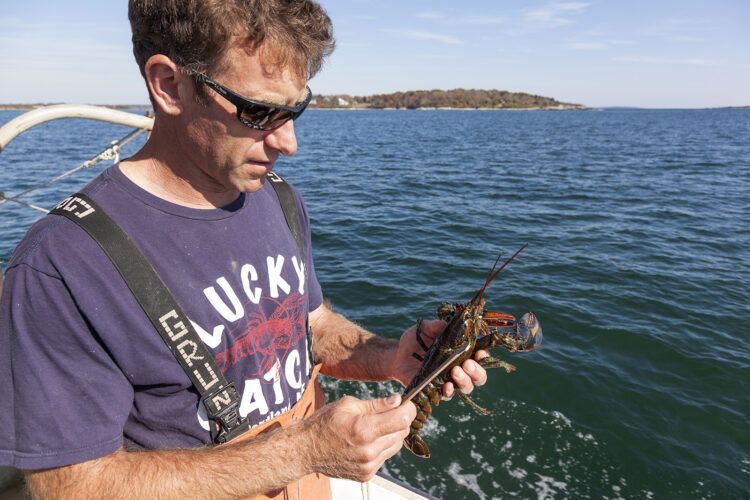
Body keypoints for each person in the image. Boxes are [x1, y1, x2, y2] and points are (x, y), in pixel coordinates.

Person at [0, 1, 488, 498]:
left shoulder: (277, 198)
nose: (289, 142)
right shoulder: (60, 265)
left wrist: (394, 356)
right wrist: (303, 450)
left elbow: (310, 325)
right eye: (259, 111)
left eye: (297, 109)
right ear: (169, 85)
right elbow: (72, 487)